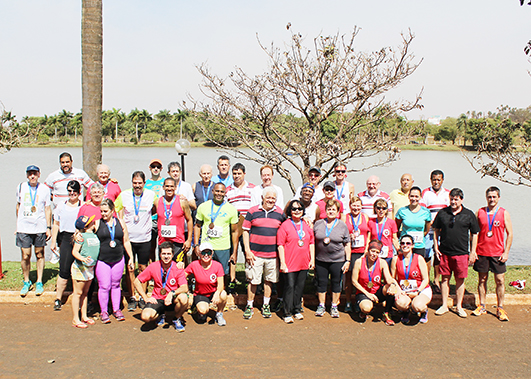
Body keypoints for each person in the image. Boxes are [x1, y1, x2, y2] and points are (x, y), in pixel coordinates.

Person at [433, 188, 479, 318]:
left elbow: (474, 234)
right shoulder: (443, 213)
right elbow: (436, 230)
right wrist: (436, 247)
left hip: (462, 253)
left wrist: (473, 251)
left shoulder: (468, 214)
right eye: (451, 199)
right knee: (444, 279)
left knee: (460, 280)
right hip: (445, 252)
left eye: (456, 199)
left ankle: (459, 306)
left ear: (461, 200)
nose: (453, 202)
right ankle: (444, 305)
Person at [115, 171, 157, 311]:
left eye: (140, 183)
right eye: (135, 183)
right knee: (130, 268)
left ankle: (142, 296)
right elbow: (113, 209)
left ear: (144, 183)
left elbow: (161, 206)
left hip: (145, 239)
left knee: (143, 268)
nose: (137, 186)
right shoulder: (125, 195)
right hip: (129, 239)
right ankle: (132, 296)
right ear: (131, 183)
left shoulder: (151, 195)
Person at [471, 187, 513, 321]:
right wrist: (473, 251)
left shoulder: (504, 213)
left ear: (499, 198)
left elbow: (510, 233)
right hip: (482, 253)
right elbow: (474, 233)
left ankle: (500, 308)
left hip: (498, 254)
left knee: (500, 281)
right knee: (482, 280)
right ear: (486, 197)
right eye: (489, 197)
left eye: (494, 197)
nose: (492, 199)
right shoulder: (480, 212)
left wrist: (506, 252)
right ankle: (482, 305)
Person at [242, 187, 284, 319]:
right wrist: (247, 251)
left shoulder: (280, 213)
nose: (271, 200)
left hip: (272, 255)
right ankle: (249, 305)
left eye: (273, 198)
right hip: (255, 255)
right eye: (268, 198)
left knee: (268, 281)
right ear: (262, 198)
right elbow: (245, 231)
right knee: (253, 281)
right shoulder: (252, 211)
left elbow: (283, 232)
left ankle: (266, 305)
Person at [133, 241, 189, 332]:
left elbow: (185, 287)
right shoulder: (153, 266)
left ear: (172, 254)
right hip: (157, 299)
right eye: (163, 254)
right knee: (146, 317)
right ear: (159, 254)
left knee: (184, 298)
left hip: (172, 299)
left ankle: (176, 318)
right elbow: (136, 281)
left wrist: (172, 293)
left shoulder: (177, 268)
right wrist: (145, 298)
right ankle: (160, 314)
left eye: (168, 254)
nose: (166, 256)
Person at [94, 199, 135, 323]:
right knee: (104, 286)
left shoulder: (121, 223)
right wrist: (78, 235)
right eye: (101, 211)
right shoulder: (97, 223)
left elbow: (126, 241)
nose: (103, 214)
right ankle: (104, 311)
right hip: (102, 259)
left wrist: (131, 258)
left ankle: (116, 309)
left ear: (112, 211)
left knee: (116, 285)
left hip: (118, 259)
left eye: (106, 211)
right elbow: (85, 232)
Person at [16, 165, 52, 297]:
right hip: (24, 227)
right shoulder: (21, 187)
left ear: (39, 174)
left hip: (39, 227)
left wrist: (48, 227)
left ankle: (39, 281)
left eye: (35, 173)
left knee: (39, 254)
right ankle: (26, 281)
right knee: (25, 255)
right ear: (27, 175)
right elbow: (18, 205)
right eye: (30, 174)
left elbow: (48, 208)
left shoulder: (44, 189)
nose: (32, 176)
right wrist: (18, 224)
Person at [277, 200, 315, 323]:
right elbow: (280, 245)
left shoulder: (307, 225)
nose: (297, 211)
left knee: (299, 287)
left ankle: (297, 309)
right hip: (289, 262)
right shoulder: (285, 225)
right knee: (290, 287)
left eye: (299, 209)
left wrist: (312, 259)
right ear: (290, 211)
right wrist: (282, 262)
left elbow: (311, 243)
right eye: (294, 209)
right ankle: (287, 312)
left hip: (303, 262)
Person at [313, 199, 351, 318]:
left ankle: (334, 306)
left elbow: (347, 243)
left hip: (337, 260)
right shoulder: (318, 224)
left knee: (336, 283)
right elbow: (312, 240)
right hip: (321, 260)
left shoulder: (342, 225)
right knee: (322, 283)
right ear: (325, 210)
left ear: (338, 212)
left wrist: (348, 260)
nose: (331, 211)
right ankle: (321, 305)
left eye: (333, 209)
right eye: (329, 209)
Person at [194, 183, 239, 280]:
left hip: (223, 247)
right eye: (217, 191)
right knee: (204, 272)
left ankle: (221, 292)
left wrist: (234, 251)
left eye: (222, 192)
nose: (219, 193)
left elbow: (234, 232)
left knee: (222, 274)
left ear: (225, 193)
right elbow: (197, 226)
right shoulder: (203, 207)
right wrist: (196, 245)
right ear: (212, 191)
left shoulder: (231, 209)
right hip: (206, 245)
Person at [50, 180, 82, 310]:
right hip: (65, 238)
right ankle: (58, 298)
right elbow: (56, 224)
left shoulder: (83, 206)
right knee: (64, 270)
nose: (72, 193)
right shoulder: (60, 206)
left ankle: (80, 298)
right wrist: (53, 241)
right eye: (69, 191)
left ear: (79, 193)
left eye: (74, 191)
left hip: (80, 238)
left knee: (80, 270)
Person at [352, 239, 398, 326]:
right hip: (363, 292)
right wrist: (368, 294)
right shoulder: (359, 262)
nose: (374, 254)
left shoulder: (382, 262)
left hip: (377, 291)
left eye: (377, 252)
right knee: (366, 308)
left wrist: (392, 285)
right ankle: (363, 310)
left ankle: (387, 313)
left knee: (390, 288)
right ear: (368, 250)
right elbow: (354, 281)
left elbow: (388, 278)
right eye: (372, 251)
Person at [389, 234, 432, 324]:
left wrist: (417, 291)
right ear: (400, 245)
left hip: (421, 289)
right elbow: (392, 278)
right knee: (400, 304)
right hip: (404, 290)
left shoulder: (419, 258)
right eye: (403, 243)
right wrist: (399, 290)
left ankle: (424, 312)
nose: (405, 245)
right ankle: (406, 311)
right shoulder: (395, 259)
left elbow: (425, 279)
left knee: (417, 306)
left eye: (408, 243)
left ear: (412, 245)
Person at [226, 163, 255, 288]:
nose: (236, 176)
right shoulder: (228, 190)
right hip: (233, 225)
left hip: (248, 226)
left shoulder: (253, 188)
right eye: (234, 174)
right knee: (233, 252)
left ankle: (251, 279)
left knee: (248, 251)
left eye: (239, 173)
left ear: (244, 174)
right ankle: (232, 279)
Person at [185, 241, 228, 326]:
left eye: (209, 252)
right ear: (199, 254)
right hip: (200, 294)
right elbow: (182, 275)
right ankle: (198, 308)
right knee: (203, 311)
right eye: (203, 252)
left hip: (213, 292)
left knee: (223, 294)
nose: (206, 255)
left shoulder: (218, 266)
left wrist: (217, 293)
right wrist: (185, 288)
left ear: (212, 253)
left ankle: (219, 314)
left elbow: (221, 284)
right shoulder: (194, 265)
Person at [421, 169, 450, 293]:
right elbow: (422, 211)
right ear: (430, 179)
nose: (436, 182)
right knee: (426, 255)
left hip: (442, 231)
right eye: (434, 179)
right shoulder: (425, 193)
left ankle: (436, 280)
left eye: (438, 179)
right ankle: (425, 280)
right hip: (429, 230)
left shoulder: (447, 193)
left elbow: (449, 212)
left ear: (442, 180)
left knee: (439, 255)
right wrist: (430, 224)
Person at [70, 215, 99, 328]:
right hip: (80, 268)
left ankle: (84, 316)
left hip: (90, 268)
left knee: (85, 293)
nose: (94, 223)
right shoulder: (81, 236)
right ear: (86, 226)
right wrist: (82, 259)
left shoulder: (94, 235)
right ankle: (75, 319)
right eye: (91, 222)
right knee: (77, 293)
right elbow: (75, 251)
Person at [156, 178, 193, 261]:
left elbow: (189, 220)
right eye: (167, 186)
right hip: (163, 240)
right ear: (163, 187)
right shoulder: (158, 202)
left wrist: (189, 239)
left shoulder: (182, 202)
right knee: (163, 266)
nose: (169, 189)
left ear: (175, 187)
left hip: (178, 241)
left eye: (172, 186)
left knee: (178, 266)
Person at [344, 195, 370, 313]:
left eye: (358, 206)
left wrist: (366, 250)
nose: (356, 208)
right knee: (349, 279)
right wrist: (348, 237)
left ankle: (360, 300)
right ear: (350, 206)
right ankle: (349, 301)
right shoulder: (345, 217)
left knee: (361, 278)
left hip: (362, 252)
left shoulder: (365, 217)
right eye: (353, 205)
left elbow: (369, 233)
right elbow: (342, 233)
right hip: (350, 252)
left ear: (361, 206)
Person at [394, 186, 432, 260]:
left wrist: (419, 236)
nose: (414, 199)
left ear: (420, 197)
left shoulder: (426, 212)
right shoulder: (402, 211)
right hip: (405, 245)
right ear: (408, 196)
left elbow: (426, 230)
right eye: (412, 196)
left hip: (419, 245)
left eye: (416, 196)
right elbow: (396, 229)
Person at [366, 199, 399, 265]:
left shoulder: (391, 222)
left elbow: (394, 239)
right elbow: (368, 239)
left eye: (384, 208)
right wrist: (366, 251)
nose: (381, 210)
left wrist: (399, 250)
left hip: (388, 254)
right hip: (374, 253)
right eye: (378, 208)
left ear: (387, 210)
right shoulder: (371, 222)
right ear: (375, 209)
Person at [145, 159, 165, 263]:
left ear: (161, 169)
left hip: (163, 218)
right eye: (153, 167)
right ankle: (152, 266)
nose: (155, 169)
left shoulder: (165, 182)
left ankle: (163, 267)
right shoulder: (146, 183)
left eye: (158, 167)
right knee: (151, 246)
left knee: (163, 246)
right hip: (150, 219)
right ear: (150, 168)